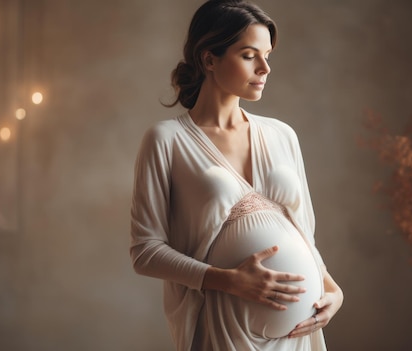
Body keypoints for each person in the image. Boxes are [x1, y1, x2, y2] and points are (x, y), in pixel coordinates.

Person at [130, 1, 343, 350]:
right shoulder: (166, 140)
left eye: (267, 55)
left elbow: (304, 235)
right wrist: (228, 281)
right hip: (222, 330)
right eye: (249, 55)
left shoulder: (282, 135)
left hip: (298, 337)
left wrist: (333, 291)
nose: (265, 68)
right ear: (208, 59)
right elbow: (145, 251)